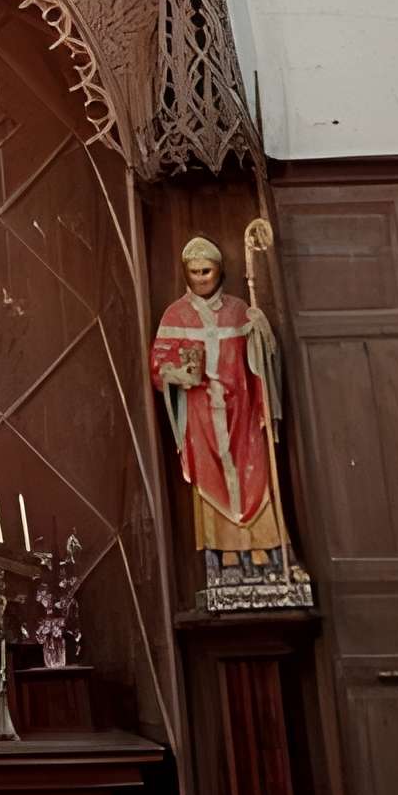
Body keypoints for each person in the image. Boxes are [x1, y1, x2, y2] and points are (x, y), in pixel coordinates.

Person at [149, 235, 287, 588]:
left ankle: (266, 550)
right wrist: (178, 372)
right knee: (210, 478)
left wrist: (260, 332)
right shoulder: (175, 314)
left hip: (241, 409)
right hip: (201, 413)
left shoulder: (240, 309)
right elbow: (159, 365)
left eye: (206, 271)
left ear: (219, 270)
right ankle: (225, 556)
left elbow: (263, 362)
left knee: (256, 474)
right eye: (194, 272)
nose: (200, 278)